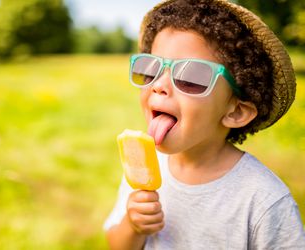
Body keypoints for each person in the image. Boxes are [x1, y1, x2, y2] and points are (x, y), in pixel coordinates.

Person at [103, 0, 305, 249]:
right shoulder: (145, 168)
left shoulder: (264, 201)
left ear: (236, 112)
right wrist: (132, 227)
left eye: (190, 76)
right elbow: (116, 244)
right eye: (150, 69)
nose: (158, 85)